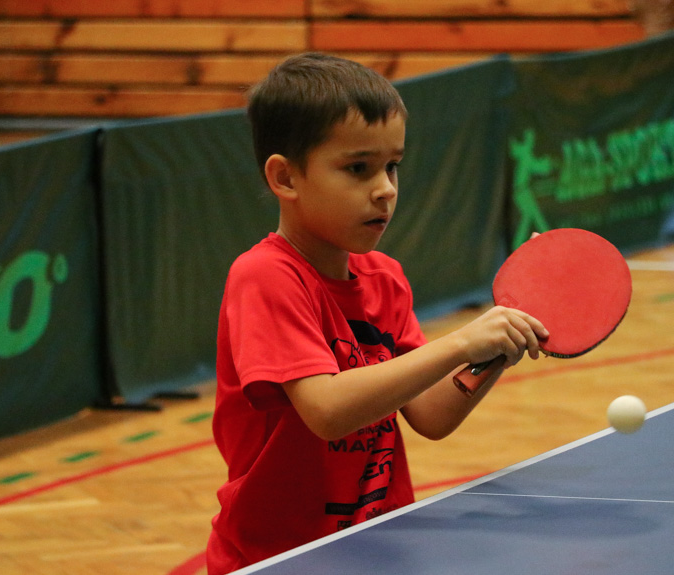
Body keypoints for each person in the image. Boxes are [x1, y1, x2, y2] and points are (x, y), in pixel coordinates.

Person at [207, 52, 548, 574]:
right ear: (286, 178)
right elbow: (326, 411)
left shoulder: (384, 278)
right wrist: (460, 343)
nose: (386, 188)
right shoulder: (266, 276)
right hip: (278, 558)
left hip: (377, 550)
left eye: (392, 166)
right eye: (357, 168)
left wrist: (499, 341)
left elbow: (431, 415)